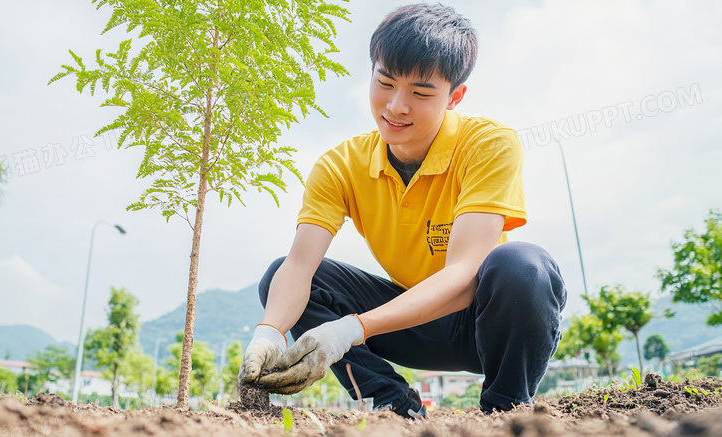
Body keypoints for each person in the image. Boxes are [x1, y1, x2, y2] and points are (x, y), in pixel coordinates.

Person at [238, 3, 567, 418]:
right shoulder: (340, 165)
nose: (396, 106)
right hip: (408, 324)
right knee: (281, 274)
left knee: (523, 266)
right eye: (385, 82)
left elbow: (465, 276)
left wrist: (350, 329)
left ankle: (504, 409)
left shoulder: (488, 144)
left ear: (455, 97)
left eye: (421, 93)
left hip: (488, 325)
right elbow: (301, 266)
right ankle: (393, 401)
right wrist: (268, 334)